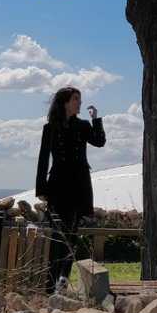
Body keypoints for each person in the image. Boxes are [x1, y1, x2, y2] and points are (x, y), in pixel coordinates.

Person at [35, 86, 106, 291]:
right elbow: (43, 159)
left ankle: (63, 279)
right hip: (57, 184)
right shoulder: (50, 128)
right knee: (56, 233)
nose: (79, 103)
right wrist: (41, 188)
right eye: (76, 99)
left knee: (72, 232)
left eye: (80, 100)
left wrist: (96, 119)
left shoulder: (83, 125)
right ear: (65, 102)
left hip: (79, 184)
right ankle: (50, 281)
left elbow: (99, 142)